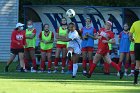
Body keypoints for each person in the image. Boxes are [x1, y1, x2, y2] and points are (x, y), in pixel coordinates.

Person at [129, 20, 140, 85]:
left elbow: (130, 34)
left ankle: (135, 81)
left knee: (137, 63)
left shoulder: (135, 23)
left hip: (137, 45)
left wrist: (132, 40)